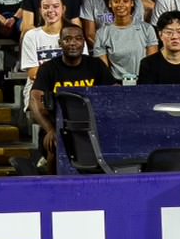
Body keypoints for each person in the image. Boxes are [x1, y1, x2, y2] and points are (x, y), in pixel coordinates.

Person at [27, 28, 117, 170]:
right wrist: (50, 129)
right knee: (54, 142)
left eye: (78, 39)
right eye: (67, 39)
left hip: (92, 126)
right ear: (60, 43)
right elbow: (34, 99)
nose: (73, 43)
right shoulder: (49, 68)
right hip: (59, 127)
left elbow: (114, 93)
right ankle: (53, 186)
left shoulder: (96, 65)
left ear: (84, 43)